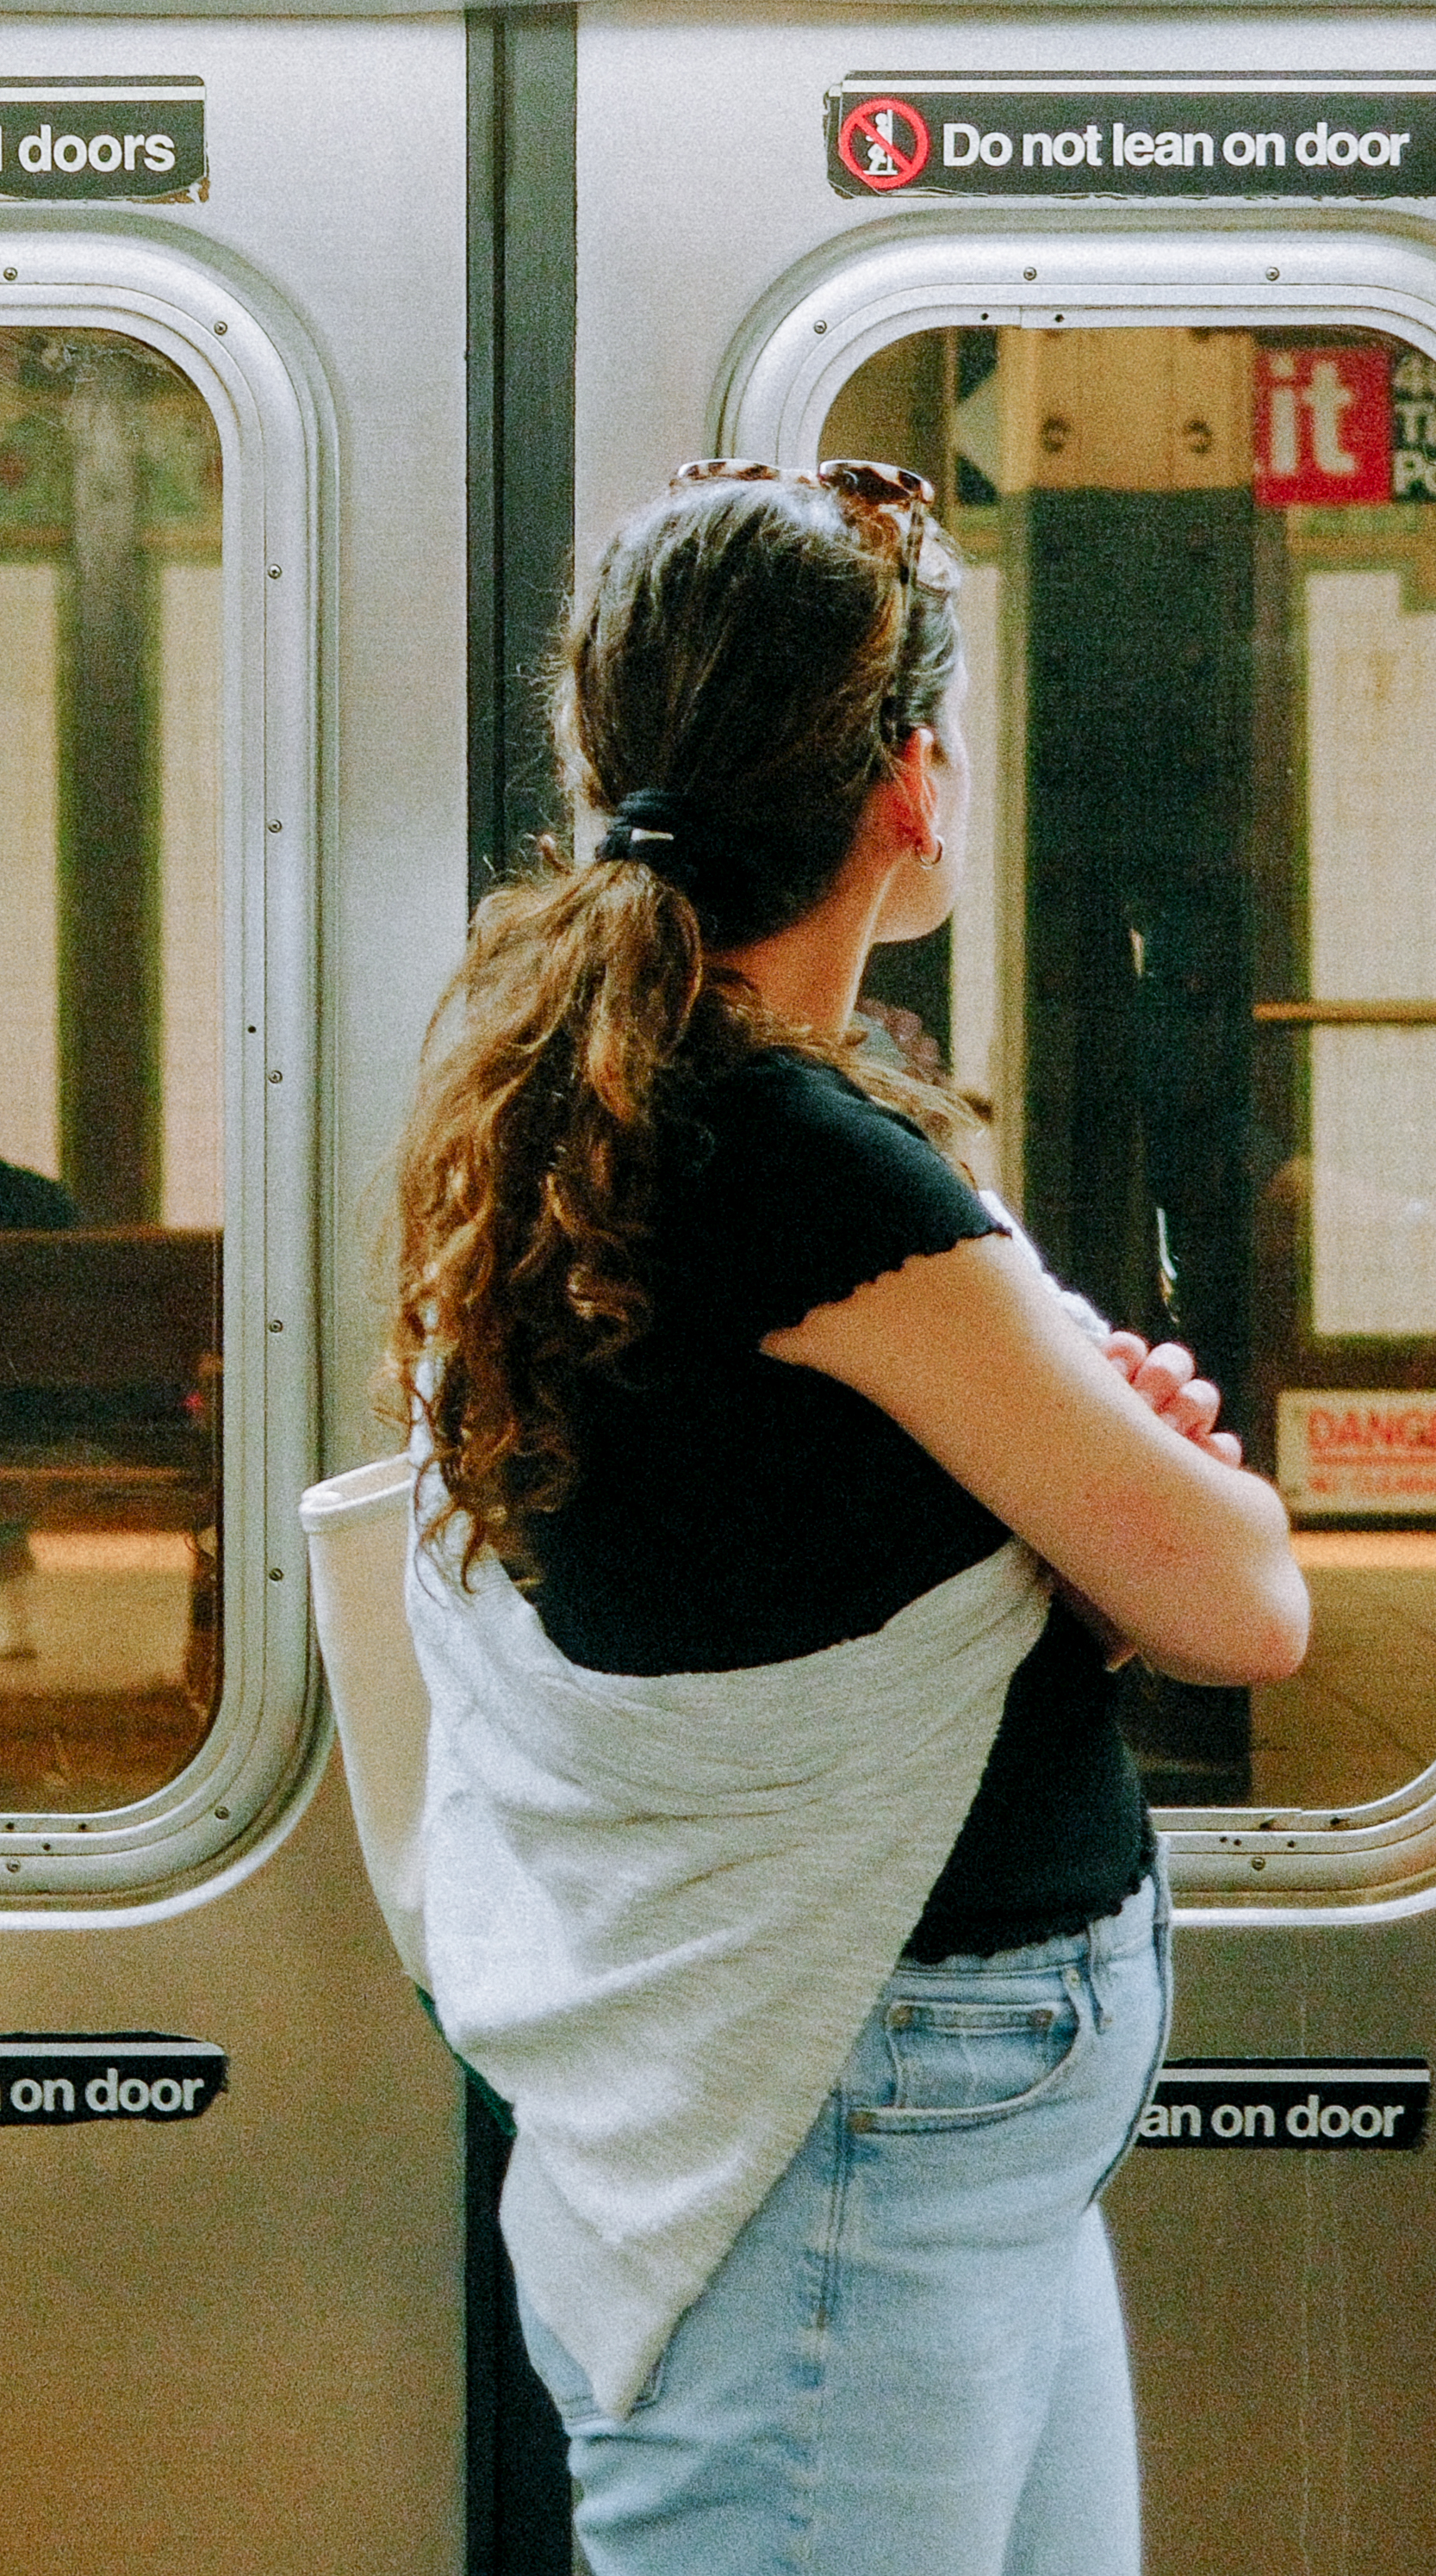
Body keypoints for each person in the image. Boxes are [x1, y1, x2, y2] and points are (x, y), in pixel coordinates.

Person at [389, 457, 1309, 2576]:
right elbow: (1245, 1600)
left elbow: (804, 1533)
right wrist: (1115, 1488)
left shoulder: (619, 1096)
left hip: (917, 2111)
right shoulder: (800, 1157)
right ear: (912, 785)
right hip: (866, 2106)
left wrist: (1068, 1474)